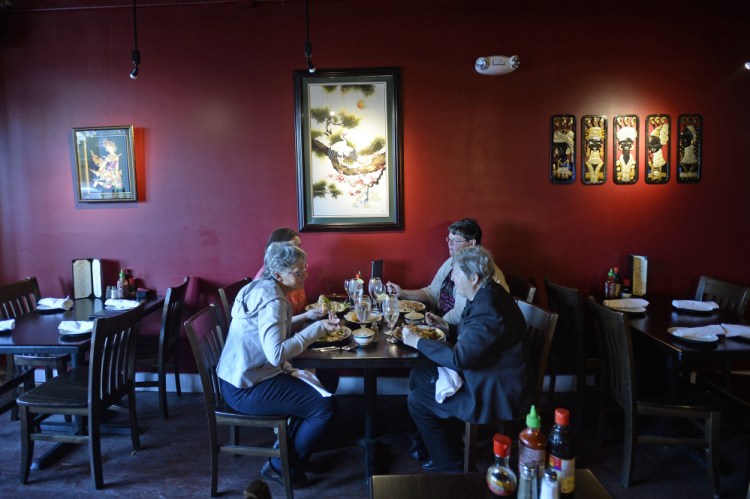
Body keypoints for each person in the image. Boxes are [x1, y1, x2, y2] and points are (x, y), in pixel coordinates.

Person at [217, 242, 339, 487]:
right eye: (298, 271)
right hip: (247, 388)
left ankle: (287, 452)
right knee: (324, 407)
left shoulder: (258, 287)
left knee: (320, 385)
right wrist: (316, 329)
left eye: (304, 268)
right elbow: (275, 354)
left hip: (235, 377)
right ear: (278, 274)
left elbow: (268, 327)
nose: (305, 274)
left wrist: (305, 317)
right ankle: (280, 467)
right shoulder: (276, 300)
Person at [402, 245, 530, 472]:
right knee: (419, 374)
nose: (451, 278)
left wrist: (417, 342)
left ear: (474, 278)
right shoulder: (486, 294)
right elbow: (477, 338)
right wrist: (445, 326)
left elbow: (461, 358)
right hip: (488, 372)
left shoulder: (488, 306)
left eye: (456, 273)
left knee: (417, 400)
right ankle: (438, 446)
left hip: (492, 390)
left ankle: (452, 467)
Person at [386, 218, 509, 325]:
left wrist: (432, 325)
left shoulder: (475, 270)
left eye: (455, 240)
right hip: (443, 323)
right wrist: (402, 293)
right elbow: (432, 293)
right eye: (448, 239)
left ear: (472, 243)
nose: (449, 244)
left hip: (460, 332)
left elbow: (459, 314)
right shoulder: (452, 261)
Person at [255, 228, 310, 319]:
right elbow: (280, 321)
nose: (297, 251)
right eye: (292, 247)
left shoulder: (293, 272)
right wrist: (307, 316)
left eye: (298, 246)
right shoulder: (265, 287)